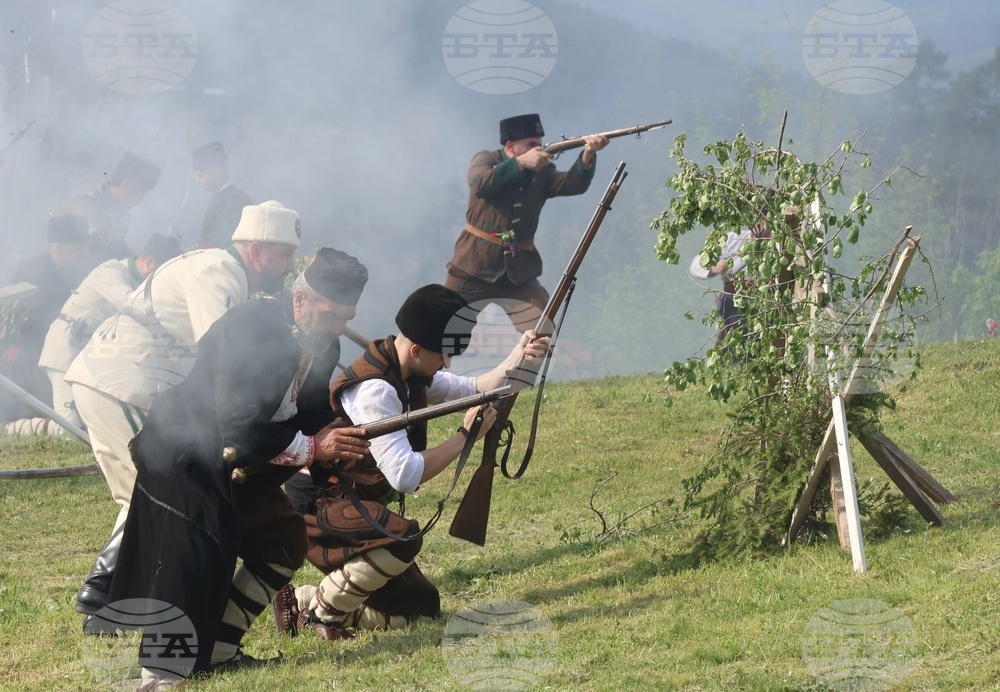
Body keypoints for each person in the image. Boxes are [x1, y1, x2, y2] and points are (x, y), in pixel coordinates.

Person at [104, 248, 372, 687]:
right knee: (190, 559)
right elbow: (232, 420)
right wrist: (310, 447)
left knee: (283, 540)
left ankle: (220, 652)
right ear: (302, 300)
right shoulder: (251, 327)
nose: (338, 327)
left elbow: (309, 413)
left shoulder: (326, 341)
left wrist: (339, 443)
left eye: (346, 317)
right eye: (332, 314)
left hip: (242, 463)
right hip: (186, 454)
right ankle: (161, 675)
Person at [66, 200, 301, 634]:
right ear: (254, 249)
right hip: (124, 379)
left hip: (126, 379)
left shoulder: (226, 272)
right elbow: (228, 357)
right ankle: (104, 594)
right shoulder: (220, 275)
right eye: (283, 254)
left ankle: (111, 597)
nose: (289, 266)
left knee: (145, 491)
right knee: (152, 488)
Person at [272, 284, 549, 640]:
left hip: (354, 502)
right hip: (320, 502)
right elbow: (405, 475)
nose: (446, 364)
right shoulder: (377, 391)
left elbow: (475, 387)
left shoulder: (407, 372)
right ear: (417, 349)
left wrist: (519, 356)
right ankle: (322, 614)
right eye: (442, 356)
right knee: (404, 539)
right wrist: (465, 437)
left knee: (421, 609)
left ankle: (302, 600)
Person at [445, 113, 608, 331]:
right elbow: (479, 184)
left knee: (541, 328)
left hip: (518, 274)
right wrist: (520, 163)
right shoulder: (487, 159)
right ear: (511, 146)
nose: (538, 149)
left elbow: (572, 185)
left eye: (539, 144)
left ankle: (522, 366)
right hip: (473, 266)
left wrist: (588, 154)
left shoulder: (542, 172)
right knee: (441, 327)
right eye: (531, 144)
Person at [37, 233, 182, 429]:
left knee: (89, 425)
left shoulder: (136, 283)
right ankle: (17, 428)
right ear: (149, 263)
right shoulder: (110, 271)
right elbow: (132, 306)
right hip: (66, 349)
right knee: (69, 428)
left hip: (89, 358)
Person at [1, 215, 100, 420]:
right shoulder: (33, 270)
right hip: (28, 358)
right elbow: (37, 321)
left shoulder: (71, 270)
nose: (84, 254)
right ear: (61, 251)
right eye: (79, 248)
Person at [57, 151, 162, 258]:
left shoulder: (123, 215)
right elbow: (91, 249)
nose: (138, 202)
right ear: (124, 185)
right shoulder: (87, 202)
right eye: (137, 195)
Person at [688, 228, 753, 348]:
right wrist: (714, 268)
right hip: (735, 308)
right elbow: (697, 265)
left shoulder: (779, 240)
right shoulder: (734, 239)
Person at [191, 141, 253, 249]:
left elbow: (226, 245)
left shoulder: (235, 200)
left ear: (217, 172)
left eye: (200, 175)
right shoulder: (220, 198)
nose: (196, 181)